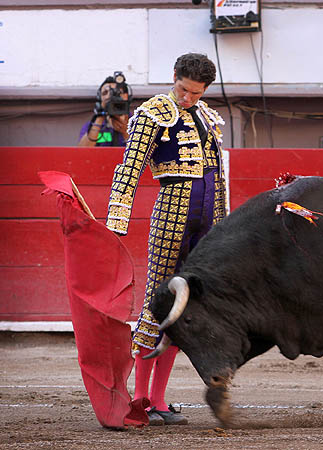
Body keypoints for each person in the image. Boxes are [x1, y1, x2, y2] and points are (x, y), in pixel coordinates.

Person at [106, 53, 227, 426]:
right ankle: (140, 397)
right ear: (173, 77)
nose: (188, 98)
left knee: (185, 308)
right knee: (158, 301)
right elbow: (130, 165)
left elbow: (217, 173)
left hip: (208, 216)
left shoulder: (208, 115)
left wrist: (223, 226)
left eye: (195, 92)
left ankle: (158, 398)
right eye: (183, 89)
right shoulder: (152, 112)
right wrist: (117, 217)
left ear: (205, 90)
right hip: (173, 212)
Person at [78, 74, 131, 147]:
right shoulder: (92, 125)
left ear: (126, 96)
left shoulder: (137, 121)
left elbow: (144, 152)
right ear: (100, 98)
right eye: (105, 93)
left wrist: (125, 132)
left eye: (117, 92)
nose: (110, 96)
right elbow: (82, 153)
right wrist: (100, 117)